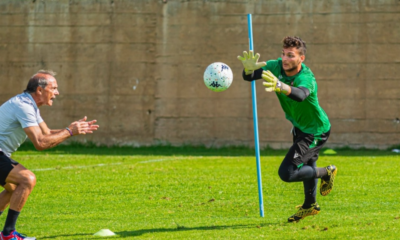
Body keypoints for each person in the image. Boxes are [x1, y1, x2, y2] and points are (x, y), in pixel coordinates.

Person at [237, 36, 337, 223]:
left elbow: (300, 94)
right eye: (283, 54)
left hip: (315, 131)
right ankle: (310, 206)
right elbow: (250, 77)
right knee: (307, 165)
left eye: (290, 55)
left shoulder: (306, 76)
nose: (284, 59)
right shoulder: (276, 66)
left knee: (288, 173)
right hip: (300, 127)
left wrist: (281, 86)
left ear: (301, 59)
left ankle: (327, 172)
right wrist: (248, 69)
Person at [0, 70, 99, 240]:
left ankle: (7, 233)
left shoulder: (29, 105)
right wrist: (69, 131)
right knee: (27, 179)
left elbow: (46, 133)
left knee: (15, 189)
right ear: (39, 90)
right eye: (54, 88)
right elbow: (40, 143)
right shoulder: (23, 106)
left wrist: (73, 130)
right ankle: (8, 235)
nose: (57, 93)